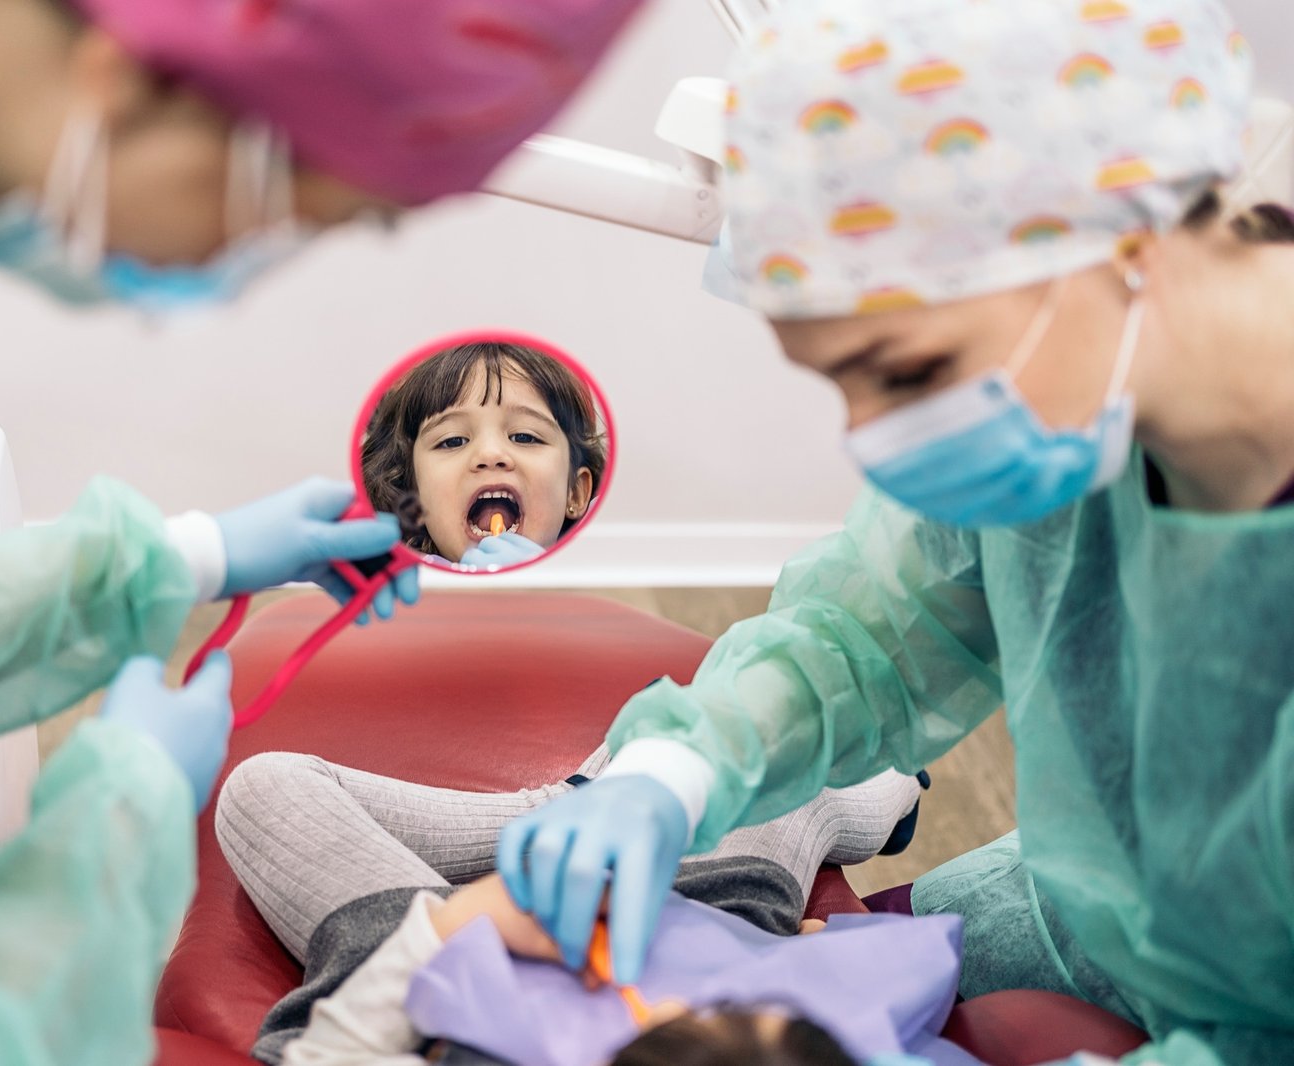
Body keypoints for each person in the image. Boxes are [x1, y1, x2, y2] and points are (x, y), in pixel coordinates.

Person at [0, 0, 646, 1061]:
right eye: (302, 215)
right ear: (149, 79)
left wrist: (178, 560)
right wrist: (119, 825)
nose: (237, 262)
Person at [495, 2, 1294, 1063]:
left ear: (1122, 238)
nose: (878, 443)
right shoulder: (1080, 396)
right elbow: (872, 635)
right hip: (1097, 914)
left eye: (908, 372)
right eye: (842, 384)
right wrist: (670, 775)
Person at [214, 748, 926, 1063]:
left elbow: (334, 1056)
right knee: (780, 775)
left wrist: (458, 924)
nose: (686, 1003)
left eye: (703, 1024)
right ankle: (904, 782)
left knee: (267, 787)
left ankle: (578, 798)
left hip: (429, 974)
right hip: (711, 907)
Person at [361, 341, 606, 569]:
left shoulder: (603, 569)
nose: (490, 454)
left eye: (525, 437)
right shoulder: (396, 581)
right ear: (412, 497)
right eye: (453, 441)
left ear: (575, 492)